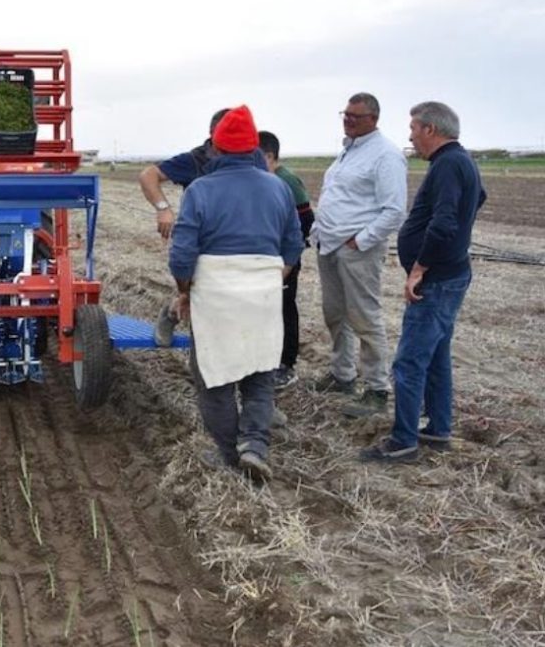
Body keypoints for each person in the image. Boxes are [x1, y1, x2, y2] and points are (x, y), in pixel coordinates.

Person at [169, 106, 303, 481]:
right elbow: (293, 244)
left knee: (215, 379)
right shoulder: (277, 188)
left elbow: (182, 255)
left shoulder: (200, 190)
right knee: (260, 373)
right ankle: (255, 445)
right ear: (254, 149)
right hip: (263, 293)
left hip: (215, 295)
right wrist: (275, 277)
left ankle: (231, 455)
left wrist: (185, 290)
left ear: (217, 149)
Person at [360, 102, 486, 462]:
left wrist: (419, 268)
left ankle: (403, 442)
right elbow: (479, 197)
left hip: (438, 280)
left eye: (414, 128)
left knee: (410, 362)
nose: (411, 135)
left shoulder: (448, 164)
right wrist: (460, 231)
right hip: (451, 273)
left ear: (431, 129)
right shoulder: (461, 160)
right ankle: (438, 430)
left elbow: (445, 222)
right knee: (436, 357)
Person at [311, 92, 407, 417]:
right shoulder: (348, 151)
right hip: (329, 244)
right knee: (335, 314)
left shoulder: (386, 155)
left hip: (357, 250)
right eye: (345, 114)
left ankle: (378, 389)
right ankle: (342, 376)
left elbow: (394, 211)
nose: (348, 120)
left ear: (374, 119)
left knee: (365, 318)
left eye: (355, 116)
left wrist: (361, 240)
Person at [142, 109, 271, 346]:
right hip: (203, 242)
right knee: (199, 298)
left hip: (241, 240)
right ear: (213, 136)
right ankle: (174, 314)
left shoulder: (253, 157)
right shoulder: (195, 159)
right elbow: (148, 175)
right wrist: (163, 208)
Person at [258, 131, 315, 390]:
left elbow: (306, 222)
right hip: (267, 258)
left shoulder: (286, 181)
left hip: (285, 260)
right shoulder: (265, 180)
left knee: (284, 308)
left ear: (269, 156)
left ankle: (286, 364)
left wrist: (288, 259)